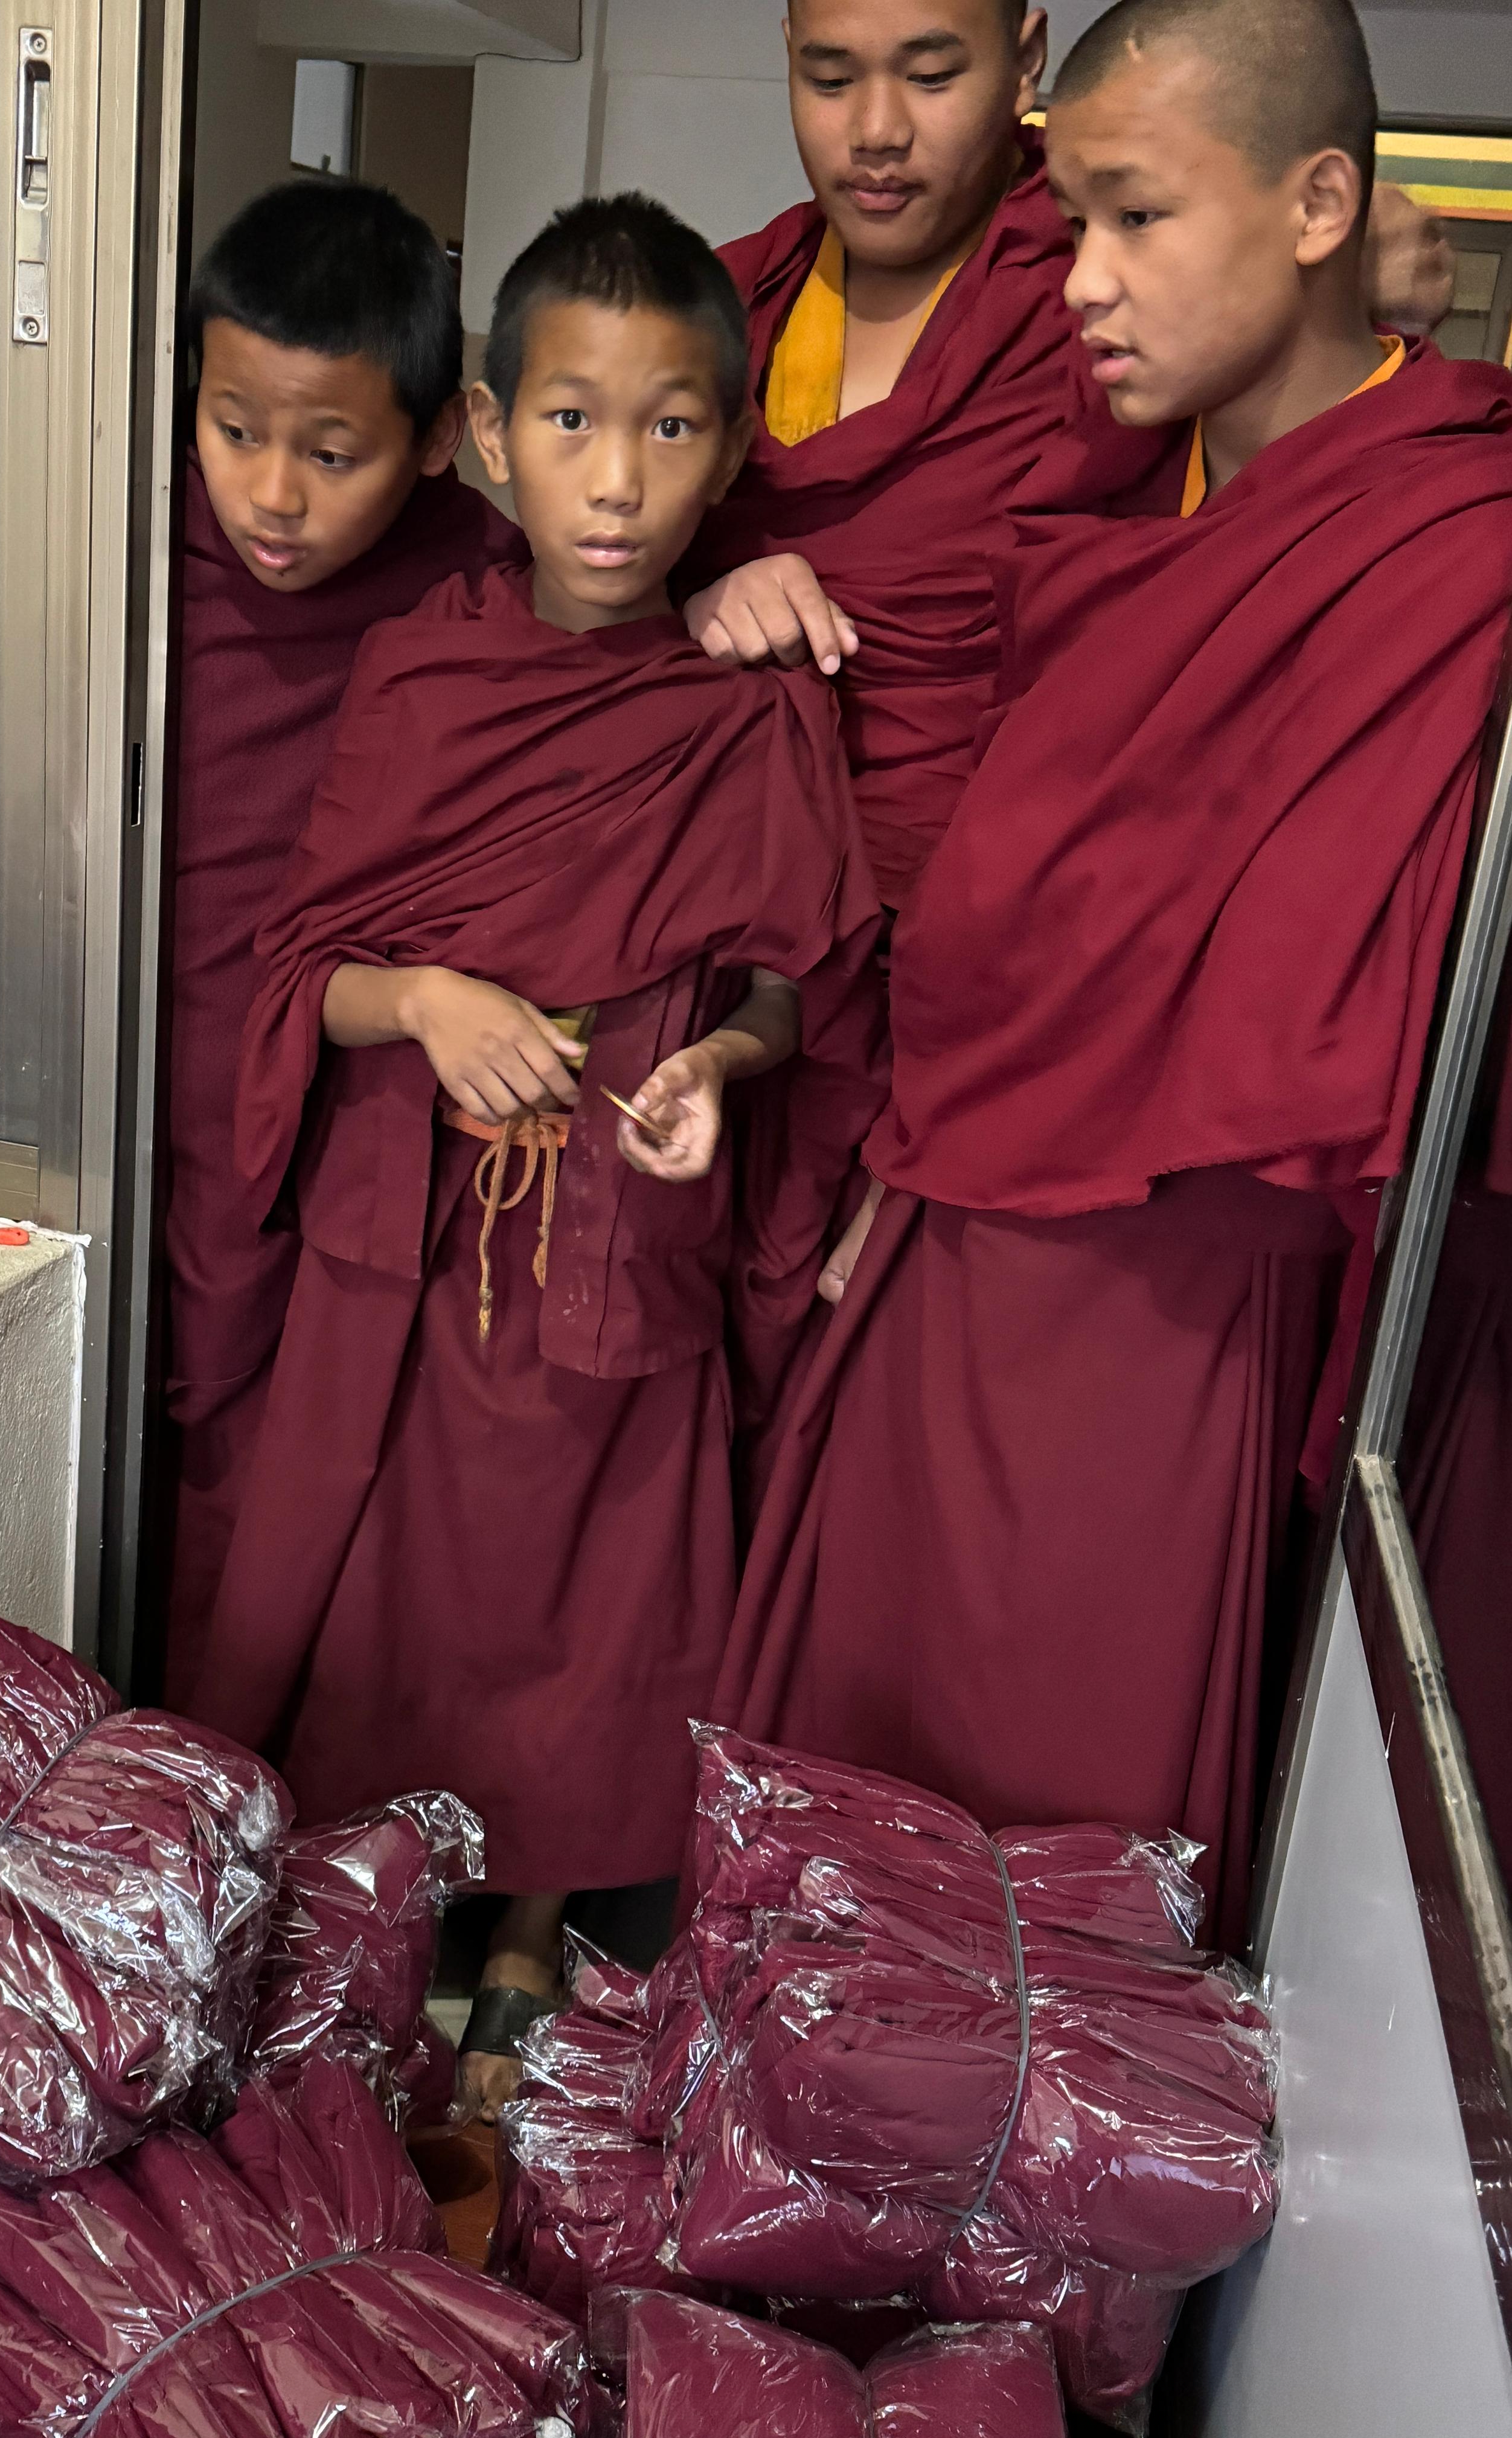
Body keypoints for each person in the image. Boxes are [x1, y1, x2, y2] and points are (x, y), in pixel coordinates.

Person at [711, 0, 1512, 1951]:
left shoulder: (1460, 540)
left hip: (1186, 1338)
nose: (1083, 284)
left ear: (1321, 203)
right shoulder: (1102, 507)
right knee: (840, 1880)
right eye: (1072, 224)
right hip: (940, 1264)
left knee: (1062, 1943)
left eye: (1138, 219)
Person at [185, 195, 882, 2113]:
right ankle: (377, 1932)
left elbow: (792, 993)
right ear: (487, 436)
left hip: (619, 1249)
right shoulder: (422, 675)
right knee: (393, 1610)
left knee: (584, 1623)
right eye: (572, 421)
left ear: (728, 455)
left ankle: (534, 1930)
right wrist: (418, 997)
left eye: (671, 429)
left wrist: (726, 1073)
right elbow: (294, 975)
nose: (617, 479)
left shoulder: (747, 715)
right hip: (403, 1258)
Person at [681, 0, 1456, 915]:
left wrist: (1320, 259)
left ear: (1025, 60)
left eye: (932, 78)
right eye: (830, 79)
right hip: (736, 908)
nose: (876, 132)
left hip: (1025, 910)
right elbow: (575, 607)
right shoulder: (716, 307)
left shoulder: (1137, 291)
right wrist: (682, 608)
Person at [161, 181, 523, 1700]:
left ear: (438, 438)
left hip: (340, 1099)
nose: (272, 498)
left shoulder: (480, 590)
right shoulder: (114, 555)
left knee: (269, 1469)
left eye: (332, 453)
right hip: (148, 1066)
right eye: (235, 429)